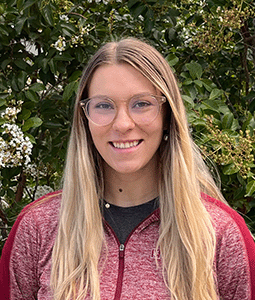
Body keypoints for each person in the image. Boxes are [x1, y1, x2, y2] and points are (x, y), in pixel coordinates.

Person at [0, 38, 254, 300]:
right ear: (85, 118)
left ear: (168, 115)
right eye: (104, 105)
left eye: (142, 103)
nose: (122, 124)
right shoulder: (39, 227)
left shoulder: (220, 233)